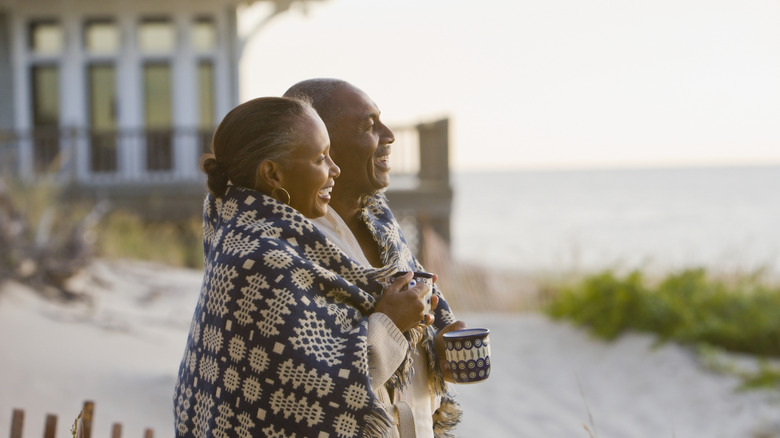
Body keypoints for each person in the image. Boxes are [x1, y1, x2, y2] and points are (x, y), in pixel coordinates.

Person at [173, 96, 435, 437]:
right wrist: (388, 323)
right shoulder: (260, 260)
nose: (334, 170)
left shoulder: (273, 241)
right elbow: (316, 393)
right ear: (272, 173)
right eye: (320, 158)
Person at [284, 79, 467, 438]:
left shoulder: (380, 218)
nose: (389, 135)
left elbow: (417, 315)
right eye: (369, 126)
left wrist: (436, 346)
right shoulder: (288, 244)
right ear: (320, 143)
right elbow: (308, 386)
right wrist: (390, 323)